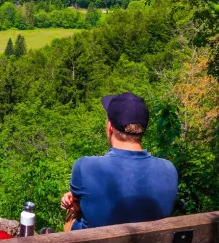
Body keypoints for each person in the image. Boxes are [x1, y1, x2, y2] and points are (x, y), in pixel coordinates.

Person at [61, 93, 178, 231]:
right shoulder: (169, 170)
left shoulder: (85, 167)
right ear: (143, 130)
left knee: (71, 217)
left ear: (110, 127)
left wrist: (77, 205)